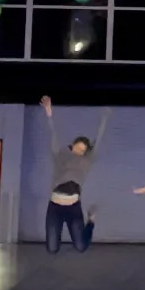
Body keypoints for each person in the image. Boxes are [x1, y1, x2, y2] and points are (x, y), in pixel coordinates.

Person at [41, 95, 110, 253]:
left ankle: (91, 221)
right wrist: (49, 113)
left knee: (80, 246)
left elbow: (98, 141)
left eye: (83, 150)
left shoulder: (87, 162)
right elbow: (53, 135)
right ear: (72, 146)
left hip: (73, 207)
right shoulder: (60, 155)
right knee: (52, 249)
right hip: (55, 207)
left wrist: (104, 119)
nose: (80, 151)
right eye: (78, 147)